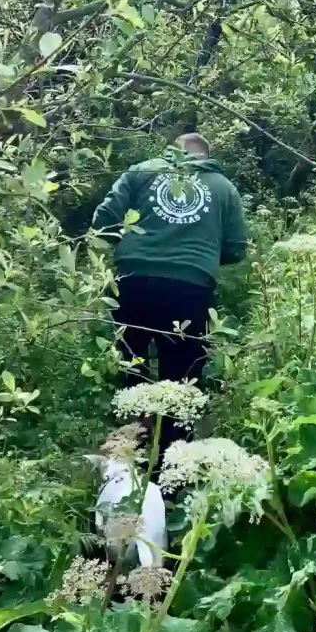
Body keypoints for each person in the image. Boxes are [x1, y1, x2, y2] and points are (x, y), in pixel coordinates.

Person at [91, 133, 248, 465]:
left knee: (131, 367)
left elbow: (103, 221)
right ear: (207, 157)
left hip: (132, 281)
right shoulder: (224, 188)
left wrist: (133, 244)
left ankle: (129, 454)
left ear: (174, 151)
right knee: (181, 379)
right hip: (190, 288)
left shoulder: (142, 171)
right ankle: (172, 464)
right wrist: (200, 255)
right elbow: (236, 248)